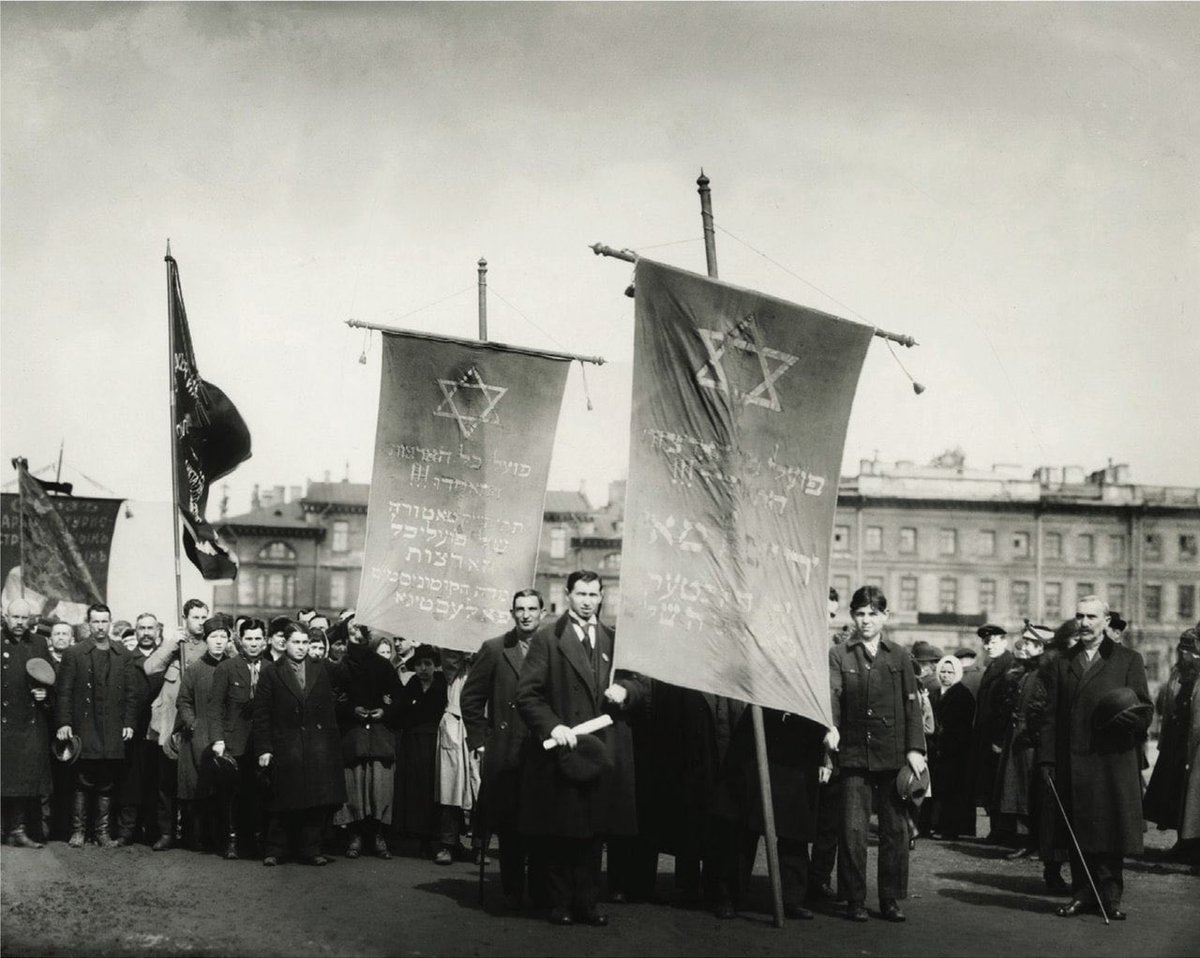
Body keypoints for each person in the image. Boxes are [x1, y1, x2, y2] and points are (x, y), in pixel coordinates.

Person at [515, 570, 645, 927]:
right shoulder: (547, 640)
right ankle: (561, 903)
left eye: (594, 594)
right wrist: (553, 725)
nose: (588, 601)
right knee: (563, 828)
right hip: (565, 748)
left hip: (601, 751)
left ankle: (588, 902)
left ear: (602, 597)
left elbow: (639, 683)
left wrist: (626, 691)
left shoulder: (613, 639)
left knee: (594, 831)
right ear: (568, 596)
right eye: (581, 594)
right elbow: (527, 695)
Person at [1041, 596, 1151, 920]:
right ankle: (1081, 894)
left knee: (1109, 830)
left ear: (1106, 621)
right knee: (1077, 829)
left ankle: (1111, 897)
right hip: (1073, 761)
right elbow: (1050, 716)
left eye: (1092, 616)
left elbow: (1145, 709)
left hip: (1111, 760)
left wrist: (1128, 721)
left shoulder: (1128, 660)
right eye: (1080, 616)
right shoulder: (1062, 663)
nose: (1085, 622)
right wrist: (1046, 760)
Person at [828, 585, 926, 923]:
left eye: (872, 614)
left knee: (895, 831)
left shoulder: (899, 656)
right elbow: (833, 695)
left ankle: (890, 898)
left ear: (885, 616)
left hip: (892, 755)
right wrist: (832, 727)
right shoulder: (840, 654)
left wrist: (915, 749)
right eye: (860, 614)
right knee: (853, 830)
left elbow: (912, 705)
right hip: (854, 754)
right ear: (852, 616)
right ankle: (854, 898)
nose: (866, 620)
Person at [461, 589, 548, 909]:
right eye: (519, 609)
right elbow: (470, 699)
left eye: (531, 609)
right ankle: (513, 891)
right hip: (506, 748)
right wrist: (482, 741)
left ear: (542, 612)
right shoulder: (496, 649)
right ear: (512, 613)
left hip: (543, 749)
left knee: (540, 824)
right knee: (510, 825)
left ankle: (540, 892)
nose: (525, 615)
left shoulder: (553, 647)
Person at [253, 622, 347, 866]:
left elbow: (349, 674)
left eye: (306, 643)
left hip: (316, 746)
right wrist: (264, 748)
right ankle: (275, 849)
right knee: (282, 800)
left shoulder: (322, 668)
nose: (302, 648)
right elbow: (262, 714)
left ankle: (311, 848)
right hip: (286, 744)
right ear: (285, 643)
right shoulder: (271, 672)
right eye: (296, 642)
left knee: (314, 800)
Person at [55, 603, 139, 848]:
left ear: (110, 622)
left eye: (104, 621)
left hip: (113, 727)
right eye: (96, 622)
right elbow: (64, 692)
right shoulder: (75, 653)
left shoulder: (122, 653)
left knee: (107, 780)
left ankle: (102, 832)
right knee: (82, 779)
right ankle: (79, 831)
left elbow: (132, 693)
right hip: (85, 725)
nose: (100, 627)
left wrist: (129, 723)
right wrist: (64, 722)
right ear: (88, 623)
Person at [143, 598, 209, 850]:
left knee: (195, 781)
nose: (201, 622)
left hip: (196, 722)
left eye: (204, 617)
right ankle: (166, 832)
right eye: (196, 617)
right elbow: (150, 667)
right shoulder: (173, 645)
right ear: (186, 619)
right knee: (166, 783)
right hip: (170, 724)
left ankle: (194, 834)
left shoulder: (211, 645)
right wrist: (172, 642)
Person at [331, 620, 400, 860]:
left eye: (360, 628)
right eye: (351, 629)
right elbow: (333, 701)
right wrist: (352, 710)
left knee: (380, 788)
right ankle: (355, 835)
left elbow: (398, 699)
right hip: (353, 737)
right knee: (354, 788)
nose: (356, 633)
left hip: (380, 737)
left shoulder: (383, 666)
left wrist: (385, 711)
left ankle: (378, 835)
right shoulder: (340, 668)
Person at [992, 624, 1055, 859]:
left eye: (1028, 643)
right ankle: (1027, 841)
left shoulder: (1047, 673)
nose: (1024, 647)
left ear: (1040, 646)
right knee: (1018, 788)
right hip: (1018, 736)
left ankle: (1038, 843)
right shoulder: (1027, 671)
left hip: (1032, 740)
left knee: (1032, 790)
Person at [210, 617, 270, 860]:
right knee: (233, 794)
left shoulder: (271, 668)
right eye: (249, 639)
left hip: (262, 743)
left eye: (258, 639)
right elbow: (215, 707)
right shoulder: (227, 668)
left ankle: (257, 840)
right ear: (239, 640)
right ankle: (232, 840)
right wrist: (218, 739)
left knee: (260, 793)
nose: (253, 644)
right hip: (235, 741)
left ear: (264, 641)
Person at [1143, 628, 1200, 867]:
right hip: (1176, 743)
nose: (1186, 654)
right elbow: (1164, 703)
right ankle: (1182, 843)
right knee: (1175, 796)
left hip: (1193, 742)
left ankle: (1191, 847)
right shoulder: (1178, 673)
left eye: (1190, 649)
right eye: (1183, 649)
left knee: (1192, 799)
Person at [175, 614, 232, 852]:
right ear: (206, 640)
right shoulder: (195, 669)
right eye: (213, 637)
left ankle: (222, 838)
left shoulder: (233, 667)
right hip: (198, 734)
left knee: (224, 789)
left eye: (223, 637)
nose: (218, 641)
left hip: (226, 734)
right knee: (197, 788)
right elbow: (184, 700)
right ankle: (196, 838)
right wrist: (193, 723)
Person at [1, 601, 53, 848]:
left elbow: (54, 680)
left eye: (24, 617)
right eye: (15, 617)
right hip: (2, 722)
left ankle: (17, 830)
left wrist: (46, 694)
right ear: (5, 616)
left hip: (28, 723)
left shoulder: (39, 644)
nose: (20, 622)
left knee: (23, 777)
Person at [394, 644, 446, 855]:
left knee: (434, 787)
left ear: (435, 666)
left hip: (435, 740)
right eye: (419, 664)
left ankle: (436, 836)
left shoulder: (443, 684)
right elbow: (400, 711)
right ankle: (418, 836)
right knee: (416, 788)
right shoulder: (413, 684)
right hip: (413, 742)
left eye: (428, 664)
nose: (423, 668)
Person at [114, 613, 159, 845]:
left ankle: (152, 831)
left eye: (150, 628)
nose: (146, 632)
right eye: (142, 628)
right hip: (134, 728)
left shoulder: (168, 657)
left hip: (159, 729)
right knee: (131, 782)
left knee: (155, 781)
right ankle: (126, 831)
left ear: (157, 630)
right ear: (136, 631)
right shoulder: (126, 659)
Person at [434, 649, 481, 865]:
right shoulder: (455, 668)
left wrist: (479, 655)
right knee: (450, 786)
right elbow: (449, 658)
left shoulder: (487, 660)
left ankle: (480, 845)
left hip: (480, 726)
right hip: (455, 723)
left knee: (480, 786)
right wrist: (463, 652)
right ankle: (447, 844)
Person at [970, 623, 1013, 844]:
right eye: (986, 642)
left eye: (994, 642)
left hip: (998, 738)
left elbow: (1006, 707)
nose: (989, 646)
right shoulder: (994, 665)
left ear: (1004, 642)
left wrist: (1000, 739)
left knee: (999, 784)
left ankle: (1003, 831)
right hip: (987, 736)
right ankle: (997, 830)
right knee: (990, 783)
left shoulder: (1008, 665)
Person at [929, 655, 975, 840]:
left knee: (953, 790)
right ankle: (937, 825)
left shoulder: (962, 694)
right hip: (940, 748)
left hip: (956, 750)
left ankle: (951, 829)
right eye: (943, 671)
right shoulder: (935, 692)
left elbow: (963, 724)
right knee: (941, 789)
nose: (946, 675)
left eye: (950, 672)